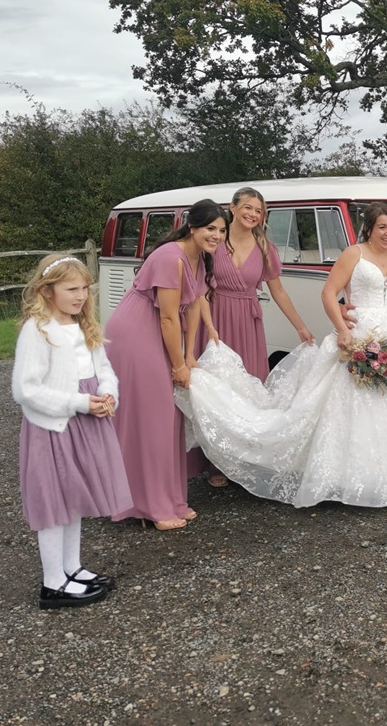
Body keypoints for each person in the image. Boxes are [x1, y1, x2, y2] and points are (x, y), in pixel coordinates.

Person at [178, 203, 387, 508]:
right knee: (357, 407)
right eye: (383, 227)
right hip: (358, 334)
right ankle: (357, 477)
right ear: (369, 228)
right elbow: (329, 292)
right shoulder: (355, 253)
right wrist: (342, 330)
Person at [12, 254, 132, 608]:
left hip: (87, 422)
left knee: (74, 498)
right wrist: (79, 403)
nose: (80, 296)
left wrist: (109, 392)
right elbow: (26, 390)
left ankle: (72, 568)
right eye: (71, 289)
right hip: (54, 426)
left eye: (84, 289)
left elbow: (104, 367)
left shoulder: (84, 325)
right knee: (54, 501)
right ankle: (53, 583)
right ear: (47, 291)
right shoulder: (39, 331)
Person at [105, 199, 228, 531]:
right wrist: (178, 367)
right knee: (152, 416)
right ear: (192, 227)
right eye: (210, 228)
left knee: (171, 416)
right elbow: (169, 317)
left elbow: (190, 309)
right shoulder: (169, 257)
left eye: (221, 230)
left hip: (163, 331)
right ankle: (148, 505)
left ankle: (172, 498)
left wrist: (188, 357)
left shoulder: (200, 258)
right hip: (136, 333)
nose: (216, 236)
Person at [192, 186, 315, 489]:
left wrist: (300, 326)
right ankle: (215, 461)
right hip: (215, 317)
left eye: (258, 210)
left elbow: (279, 291)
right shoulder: (214, 240)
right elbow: (196, 284)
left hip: (247, 320)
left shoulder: (265, 248)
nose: (252, 214)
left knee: (249, 386)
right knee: (218, 386)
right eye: (247, 207)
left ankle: (247, 458)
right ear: (232, 208)